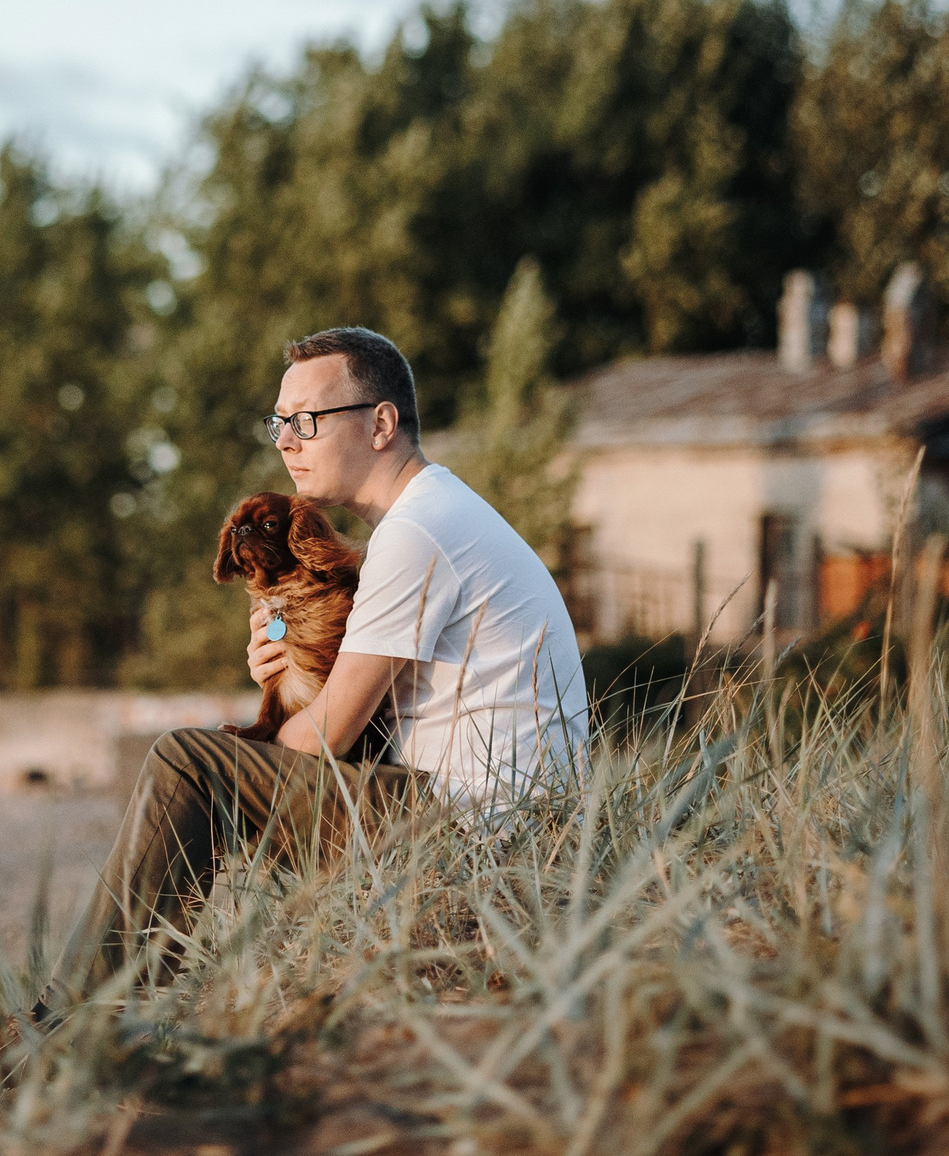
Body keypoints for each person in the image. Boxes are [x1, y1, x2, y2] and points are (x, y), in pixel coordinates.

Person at [44, 325, 589, 1009]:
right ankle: (100, 1004)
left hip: (476, 832)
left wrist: (254, 750)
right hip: (488, 817)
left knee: (188, 763)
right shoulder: (435, 514)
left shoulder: (417, 532)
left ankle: (75, 1017)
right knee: (219, 764)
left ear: (381, 424)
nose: (285, 441)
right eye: (279, 422)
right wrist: (284, 675)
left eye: (306, 420)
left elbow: (328, 734)